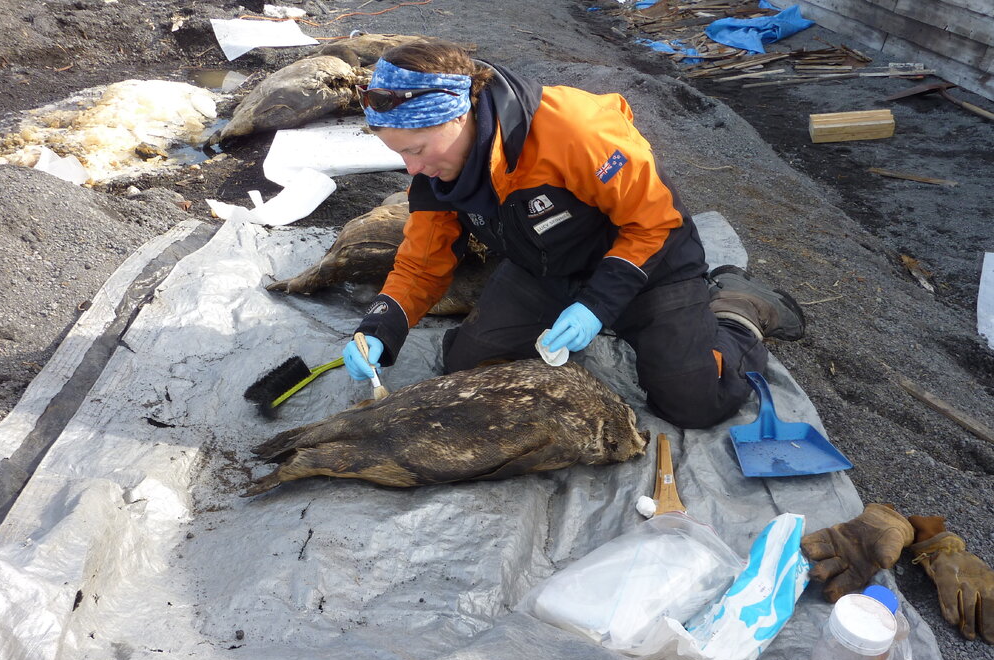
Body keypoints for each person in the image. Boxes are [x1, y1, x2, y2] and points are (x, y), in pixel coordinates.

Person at [342, 41, 805, 429]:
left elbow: (655, 222)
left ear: (459, 116)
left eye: (417, 150)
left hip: (649, 266)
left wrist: (597, 306)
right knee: (466, 366)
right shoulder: (437, 174)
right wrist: (381, 326)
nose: (413, 169)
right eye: (401, 155)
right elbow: (423, 260)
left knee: (695, 402)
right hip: (546, 268)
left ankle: (737, 307)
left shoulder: (574, 130)